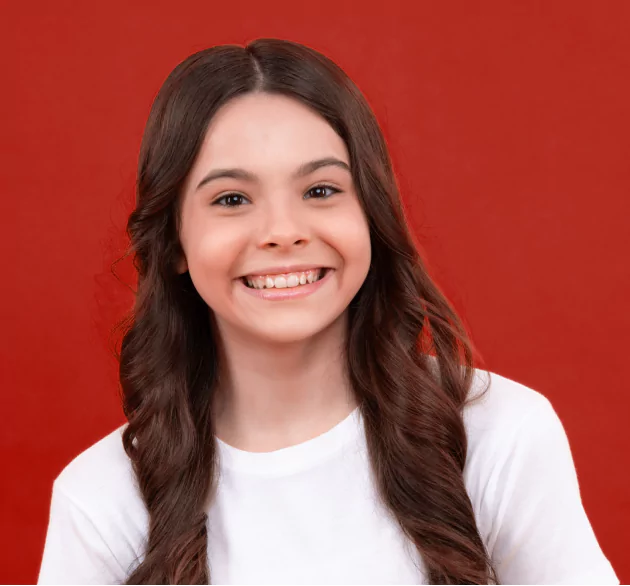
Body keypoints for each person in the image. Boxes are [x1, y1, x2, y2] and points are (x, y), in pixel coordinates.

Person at [36, 38, 619, 586]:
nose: (283, 232)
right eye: (231, 199)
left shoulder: (498, 435)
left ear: (370, 213)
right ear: (174, 245)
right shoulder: (102, 500)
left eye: (320, 190)